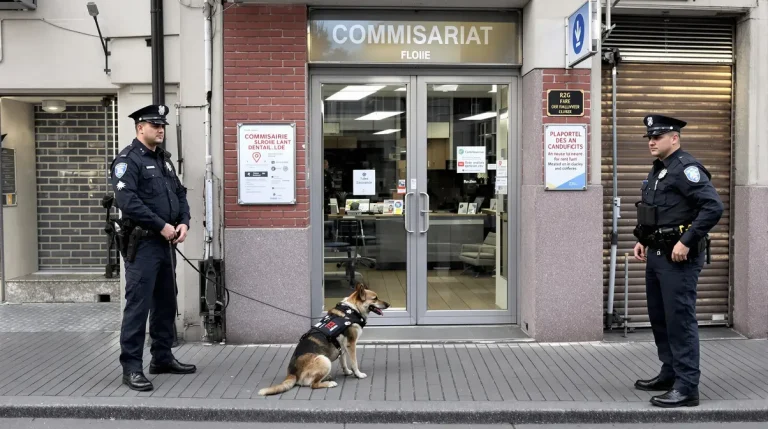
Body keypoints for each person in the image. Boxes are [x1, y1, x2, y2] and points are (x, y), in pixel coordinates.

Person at [632, 114, 724, 408]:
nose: (651, 142)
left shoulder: (686, 169)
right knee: (661, 319)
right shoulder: (660, 169)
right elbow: (656, 211)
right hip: (657, 254)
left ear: (675, 138)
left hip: (678, 259)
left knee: (680, 320)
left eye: (657, 137)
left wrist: (687, 241)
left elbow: (713, 207)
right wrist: (643, 239)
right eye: (649, 137)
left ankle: (687, 387)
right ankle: (669, 372)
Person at [109, 104, 196, 392]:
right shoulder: (128, 160)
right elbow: (128, 202)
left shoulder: (164, 160)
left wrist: (184, 222)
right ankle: (132, 367)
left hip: (165, 244)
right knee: (138, 307)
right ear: (139, 128)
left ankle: (162, 357)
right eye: (154, 125)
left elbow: (180, 194)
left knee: (166, 302)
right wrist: (162, 225)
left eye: (162, 126)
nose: (160, 129)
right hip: (143, 243)